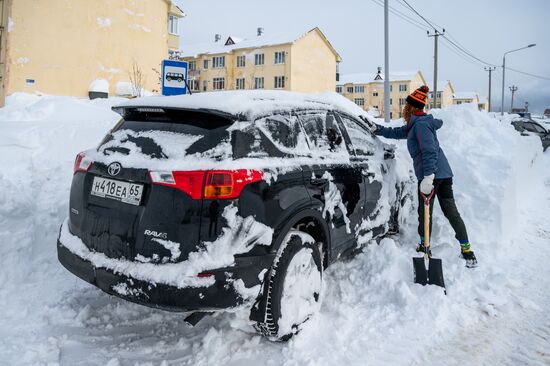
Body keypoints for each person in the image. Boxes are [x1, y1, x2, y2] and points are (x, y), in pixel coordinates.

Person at [372, 85, 477, 267]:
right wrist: (377, 128)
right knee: (450, 212)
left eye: (406, 105)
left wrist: (428, 177)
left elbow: (429, 151)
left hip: (432, 174)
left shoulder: (419, 125)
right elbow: (397, 132)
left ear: (411, 107)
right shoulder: (417, 124)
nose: (404, 107)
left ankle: (424, 245)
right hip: (443, 173)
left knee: (425, 212)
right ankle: (467, 251)